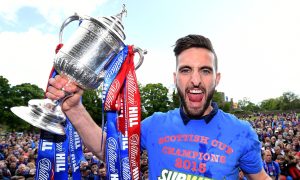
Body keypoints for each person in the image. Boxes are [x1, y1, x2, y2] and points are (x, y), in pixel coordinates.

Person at [46, 34, 271, 179]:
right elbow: (110, 152)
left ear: (217, 78)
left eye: (205, 70)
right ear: (175, 78)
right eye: (185, 70)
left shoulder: (241, 132)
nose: (195, 80)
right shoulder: (155, 124)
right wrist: (75, 109)